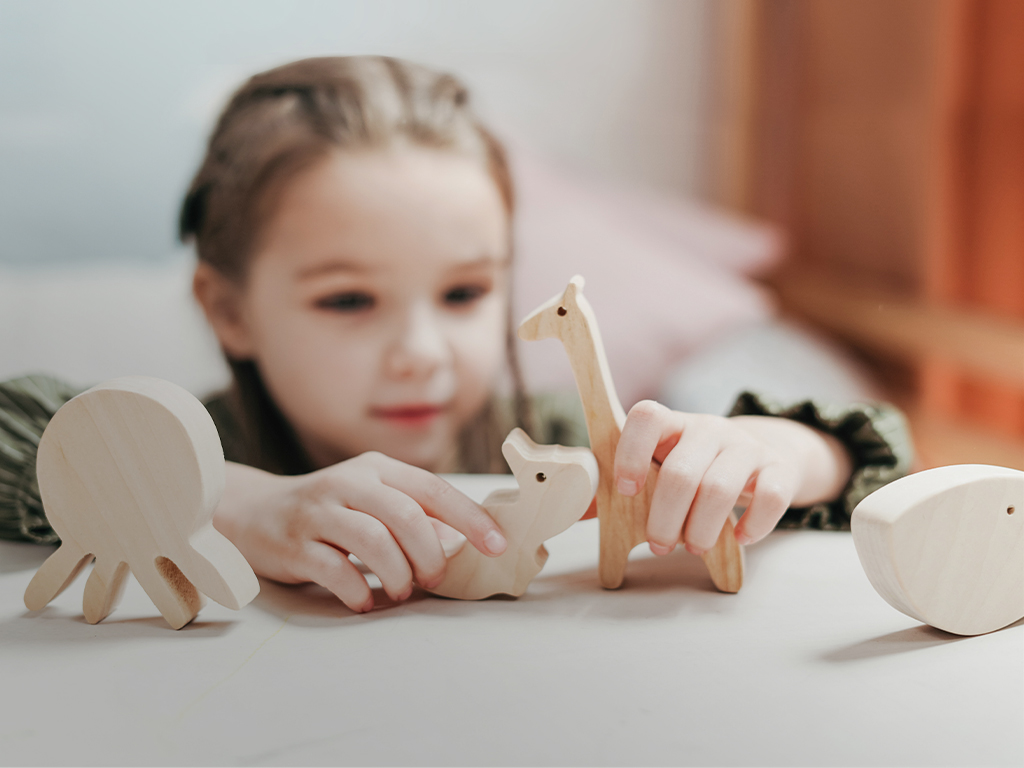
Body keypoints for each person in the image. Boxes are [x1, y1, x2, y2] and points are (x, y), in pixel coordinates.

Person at [0, 56, 911, 613]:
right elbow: (21, 425)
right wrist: (230, 504)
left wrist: (782, 452)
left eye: (466, 293)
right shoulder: (190, 447)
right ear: (229, 310)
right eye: (348, 301)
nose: (423, 354)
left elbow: (875, 462)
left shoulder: (565, 446)